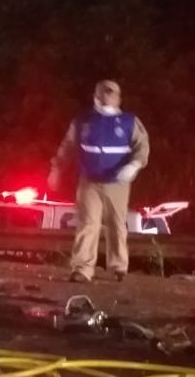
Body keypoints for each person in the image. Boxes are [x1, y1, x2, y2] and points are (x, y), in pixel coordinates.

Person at [47, 79, 150, 282]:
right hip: (89, 181)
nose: (107, 97)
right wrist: (56, 170)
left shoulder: (129, 122)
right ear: (96, 97)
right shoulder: (83, 121)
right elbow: (67, 147)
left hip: (117, 182)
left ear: (119, 98)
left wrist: (134, 165)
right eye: (104, 93)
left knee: (117, 223)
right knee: (87, 223)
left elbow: (142, 147)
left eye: (112, 94)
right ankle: (83, 269)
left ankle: (118, 266)